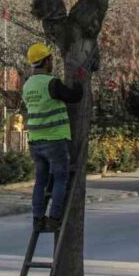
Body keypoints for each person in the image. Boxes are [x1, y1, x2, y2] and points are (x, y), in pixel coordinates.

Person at [22, 42, 85, 232]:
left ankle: (37, 218)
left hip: (35, 142)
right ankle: (55, 218)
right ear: (46, 61)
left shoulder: (27, 85)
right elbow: (74, 96)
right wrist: (80, 80)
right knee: (60, 179)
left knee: (40, 181)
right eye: (51, 59)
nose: (52, 62)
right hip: (54, 140)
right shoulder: (51, 83)